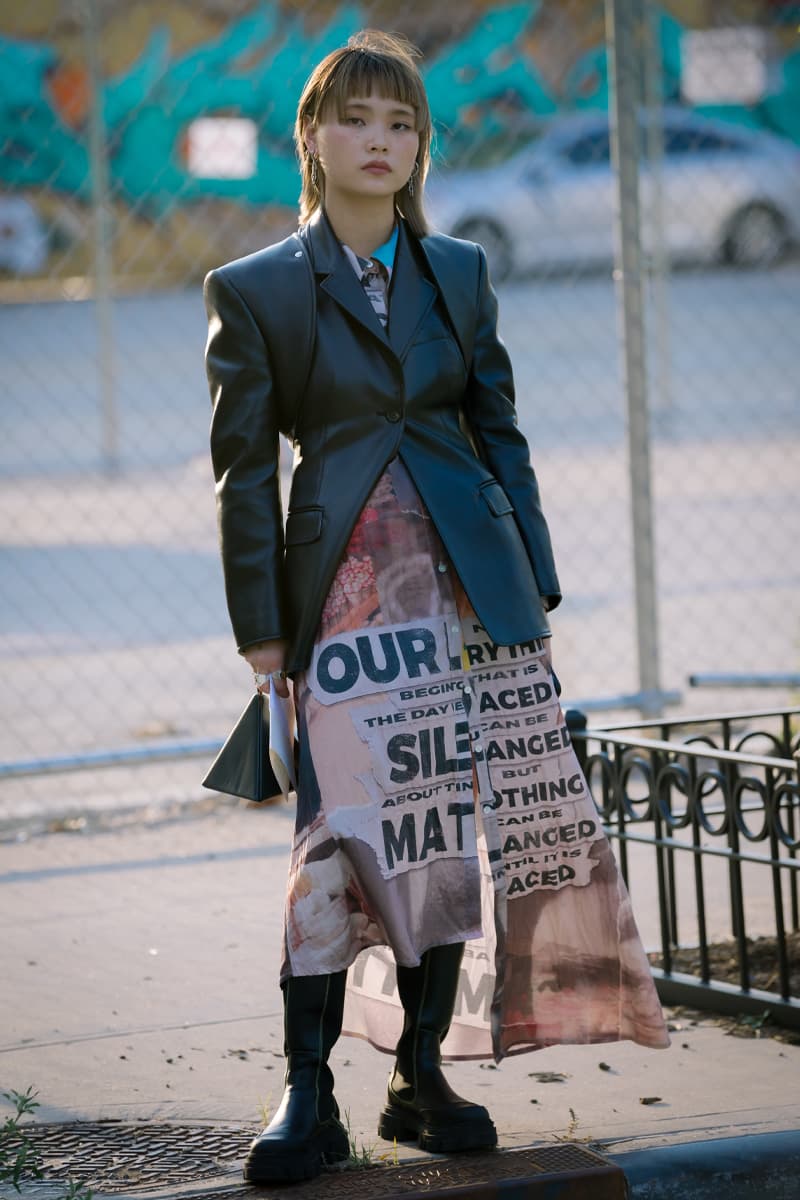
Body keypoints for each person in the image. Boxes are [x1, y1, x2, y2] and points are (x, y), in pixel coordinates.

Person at [204, 29, 668, 1187]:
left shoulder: (457, 270)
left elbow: (495, 428)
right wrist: (262, 631)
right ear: (311, 138)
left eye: (401, 123)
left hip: (467, 587)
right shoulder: (256, 286)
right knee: (337, 838)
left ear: (420, 146)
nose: (380, 141)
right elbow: (242, 472)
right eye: (356, 119)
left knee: (439, 826)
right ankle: (306, 1090)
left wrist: (530, 586)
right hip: (343, 603)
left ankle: (420, 1073)